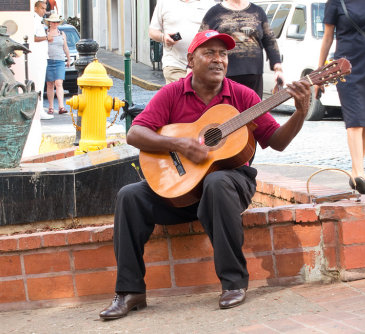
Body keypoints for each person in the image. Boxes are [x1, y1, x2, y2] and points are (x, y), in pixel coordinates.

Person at [98, 30, 310, 321]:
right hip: (184, 190)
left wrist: (300, 112)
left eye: (223, 54)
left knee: (217, 180)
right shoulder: (172, 93)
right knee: (129, 196)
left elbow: (278, 141)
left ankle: (233, 283)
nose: (218, 60)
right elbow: (135, 133)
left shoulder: (242, 96)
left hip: (231, 185)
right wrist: (177, 143)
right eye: (209, 53)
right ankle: (130, 291)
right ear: (190, 60)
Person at [315, 0, 365, 194]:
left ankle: (355, 174)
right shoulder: (335, 2)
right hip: (345, 67)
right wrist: (319, 73)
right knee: (355, 118)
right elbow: (327, 38)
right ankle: (359, 174)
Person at [199, 0, 283, 99]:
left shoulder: (258, 11)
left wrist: (278, 69)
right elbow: (201, 40)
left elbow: (269, 40)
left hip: (253, 74)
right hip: (224, 74)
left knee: (254, 111)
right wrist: (191, 68)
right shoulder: (214, 12)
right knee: (226, 111)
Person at [149, 0, 219, 84]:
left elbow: (217, 31)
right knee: (179, 95)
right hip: (175, 64)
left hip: (203, 65)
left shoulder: (209, 3)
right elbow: (152, 31)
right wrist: (163, 37)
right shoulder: (164, 2)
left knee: (200, 96)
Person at [23, 1, 54, 158]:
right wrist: (47, 37)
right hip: (37, 56)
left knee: (41, 83)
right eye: (42, 8)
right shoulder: (33, 19)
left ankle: (40, 108)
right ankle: (39, 109)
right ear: (35, 7)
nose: (44, 11)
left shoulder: (38, 20)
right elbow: (34, 37)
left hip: (41, 56)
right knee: (39, 83)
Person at [44, 13, 70, 115]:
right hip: (48, 61)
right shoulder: (45, 33)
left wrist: (68, 59)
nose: (55, 24)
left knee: (59, 83)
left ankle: (61, 106)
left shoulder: (62, 34)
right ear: (49, 23)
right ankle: (50, 107)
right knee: (50, 84)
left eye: (57, 22)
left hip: (59, 61)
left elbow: (65, 47)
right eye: (53, 22)